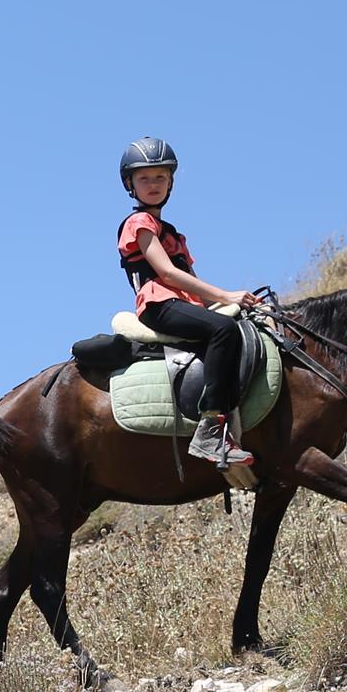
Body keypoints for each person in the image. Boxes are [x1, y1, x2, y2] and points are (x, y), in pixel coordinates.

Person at [117, 137, 260, 472]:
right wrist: (226, 296)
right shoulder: (139, 224)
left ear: (171, 182)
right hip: (159, 304)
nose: (153, 185)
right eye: (144, 179)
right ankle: (211, 428)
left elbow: (194, 285)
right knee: (223, 330)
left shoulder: (173, 234)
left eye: (160, 178)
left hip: (181, 302)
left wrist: (240, 302)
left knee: (236, 323)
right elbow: (165, 272)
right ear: (130, 185)